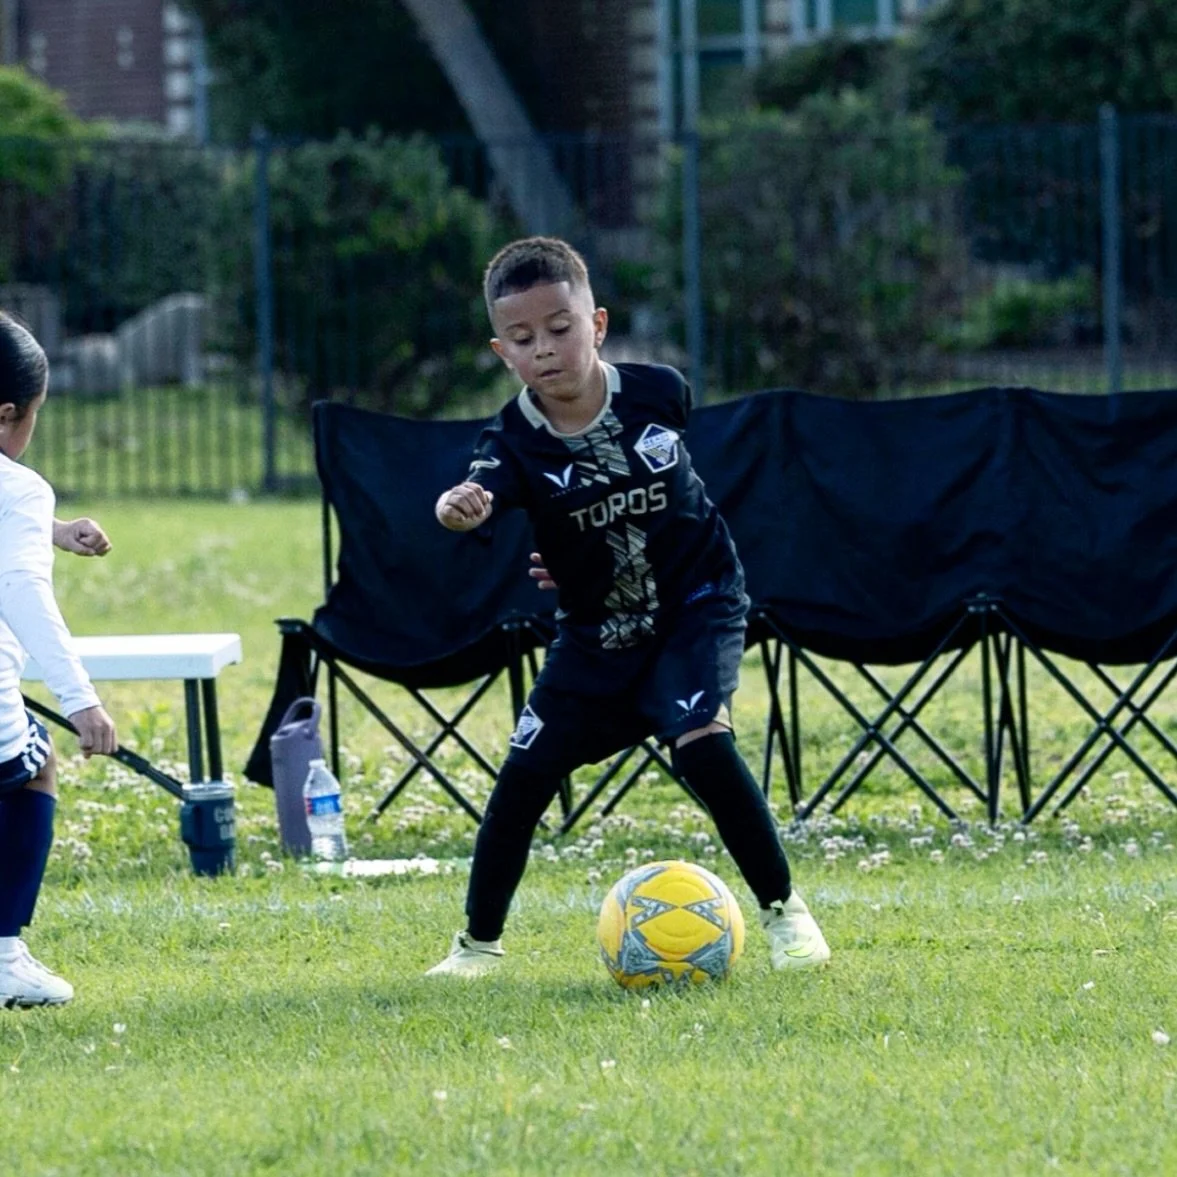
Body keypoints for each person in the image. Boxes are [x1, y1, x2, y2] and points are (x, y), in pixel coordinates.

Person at [427, 237, 830, 977]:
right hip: (594, 636)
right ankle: (476, 946)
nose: (545, 348)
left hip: (694, 606)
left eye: (560, 327)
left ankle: (784, 913)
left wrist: (610, 532)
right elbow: (476, 491)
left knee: (702, 741)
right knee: (523, 773)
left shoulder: (658, 391)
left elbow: (671, 495)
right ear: (501, 350)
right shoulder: (511, 442)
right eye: (522, 338)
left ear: (598, 324)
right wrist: (460, 507)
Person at [0, 312, 118, 1007]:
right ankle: (5, 953)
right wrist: (81, 699)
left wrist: (51, 531)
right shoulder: (17, 485)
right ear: (8, 412)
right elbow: (21, 591)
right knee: (32, 767)